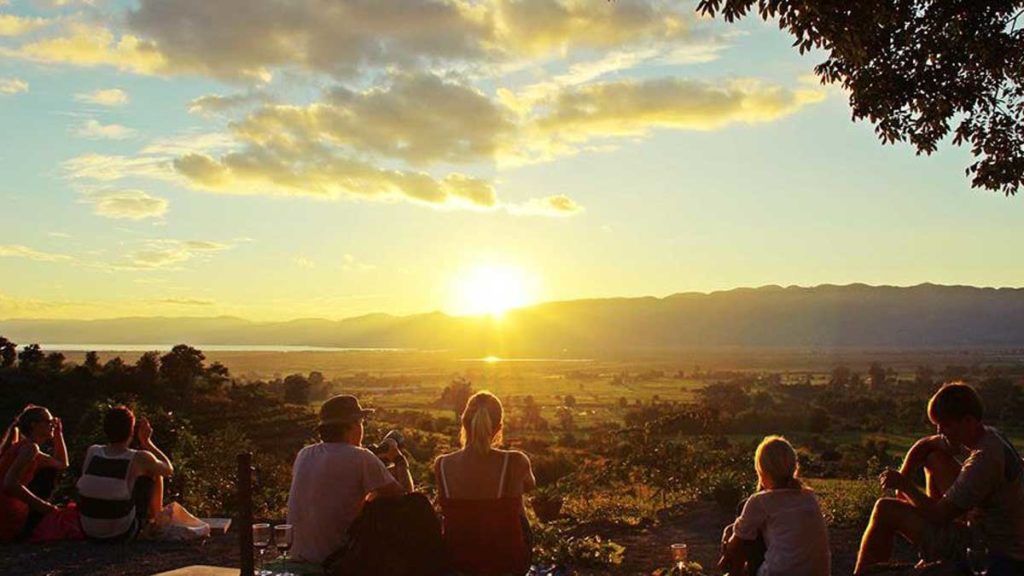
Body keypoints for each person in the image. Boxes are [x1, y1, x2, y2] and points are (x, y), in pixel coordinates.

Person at [855, 382, 1024, 575]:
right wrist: (905, 475)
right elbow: (925, 444)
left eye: (945, 425)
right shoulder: (987, 435)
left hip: (990, 553)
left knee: (885, 509)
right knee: (934, 457)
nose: (940, 431)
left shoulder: (984, 460)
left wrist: (905, 486)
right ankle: (931, 553)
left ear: (968, 421)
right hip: (985, 534)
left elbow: (939, 514)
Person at [288, 394, 413, 565]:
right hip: (337, 558)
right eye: (361, 423)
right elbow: (408, 497)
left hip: (299, 554)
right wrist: (400, 461)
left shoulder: (304, 454)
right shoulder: (361, 457)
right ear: (352, 425)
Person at [434, 391, 536, 576]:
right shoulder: (515, 461)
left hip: (458, 562)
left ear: (464, 423)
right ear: (498, 428)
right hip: (508, 564)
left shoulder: (442, 464)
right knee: (516, 503)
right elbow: (529, 485)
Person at [720, 435, 830, 576]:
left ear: (761, 469)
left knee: (739, 530)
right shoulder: (809, 497)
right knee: (744, 527)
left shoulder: (760, 501)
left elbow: (736, 544)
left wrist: (726, 544)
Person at [77, 406, 174, 540]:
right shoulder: (139, 457)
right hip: (121, 532)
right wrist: (147, 442)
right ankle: (156, 521)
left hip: (88, 529)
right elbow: (168, 470)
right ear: (131, 431)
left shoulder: (93, 451)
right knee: (154, 472)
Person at [0, 405, 69, 542]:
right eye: (49, 421)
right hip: (8, 518)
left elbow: (62, 464)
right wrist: (42, 506)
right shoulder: (30, 448)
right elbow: (9, 483)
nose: (52, 425)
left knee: (50, 471)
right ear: (34, 425)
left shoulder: (25, 447)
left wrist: (58, 434)